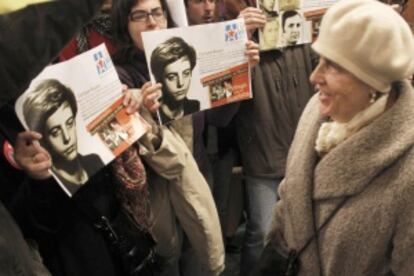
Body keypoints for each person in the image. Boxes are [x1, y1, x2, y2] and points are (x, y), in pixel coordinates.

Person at [257, 0, 414, 275]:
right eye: (320, 60)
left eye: (333, 66)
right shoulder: (315, 110)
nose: (314, 76)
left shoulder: (406, 171)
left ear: (373, 82)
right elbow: (290, 194)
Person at [235, 5, 315, 276]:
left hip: (305, 150)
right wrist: (235, 36)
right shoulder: (242, 34)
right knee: (261, 232)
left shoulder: (300, 32)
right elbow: (222, 108)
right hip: (263, 151)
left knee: (305, 230)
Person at [23, 79, 104, 195]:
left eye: (70, 123)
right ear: (43, 139)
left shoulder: (95, 160)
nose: (67, 138)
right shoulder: (50, 187)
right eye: (55, 132)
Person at [150, 37, 200, 123]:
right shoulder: (154, 112)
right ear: (159, 79)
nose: (181, 83)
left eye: (186, 73)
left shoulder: (195, 106)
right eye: (172, 77)